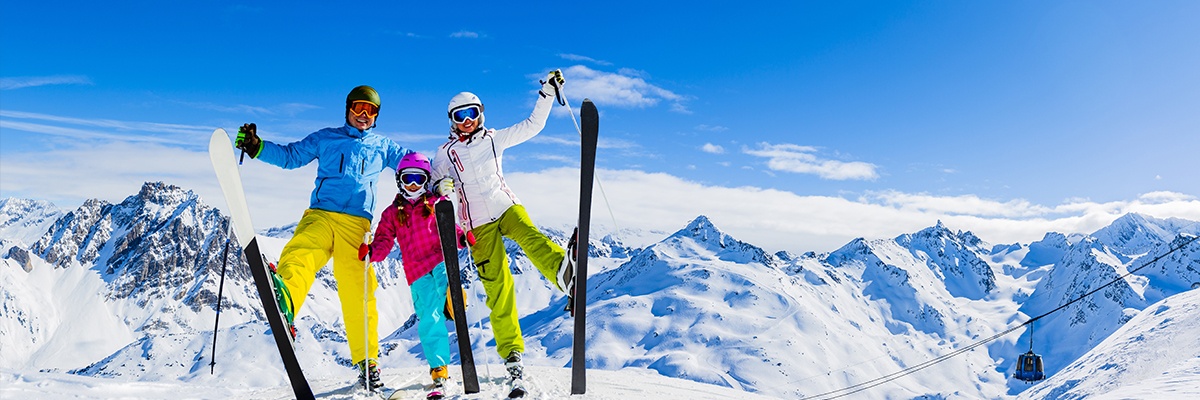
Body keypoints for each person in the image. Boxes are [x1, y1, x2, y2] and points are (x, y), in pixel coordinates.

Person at [234, 85, 412, 389]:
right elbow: (291, 156)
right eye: (358, 108)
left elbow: (411, 163)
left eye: (370, 111)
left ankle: (368, 362)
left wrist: (440, 174)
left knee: (359, 289)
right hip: (321, 214)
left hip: (357, 226)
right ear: (348, 109)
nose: (363, 115)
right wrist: (257, 147)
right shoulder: (326, 138)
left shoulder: (383, 146)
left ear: (377, 116)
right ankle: (285, 298)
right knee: (301, 250)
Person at [429, 70, 576, 396]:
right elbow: (430, 184)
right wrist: (440, 186)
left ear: (481, 115)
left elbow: (532, 126)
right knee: (498, 287)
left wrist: (547, 94)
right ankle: (512, 355)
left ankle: (564, 275)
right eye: (460, 116)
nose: (467, 121)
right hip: (476, 224)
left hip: (505, 205)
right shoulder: (445, 153)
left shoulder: (493, 138)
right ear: (452, 120)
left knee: (529, 234)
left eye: (472, 114)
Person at [358, 152, 465, 399]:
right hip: (416, 272)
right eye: (408, 179)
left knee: (449, 294)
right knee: (429, 319)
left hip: (440, 261)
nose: (414, 185)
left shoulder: (436, 202)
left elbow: (452, 226)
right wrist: (372, 252)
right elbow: (384, 240)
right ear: (399, 181)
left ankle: (455, 298)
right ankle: (440, 372)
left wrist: (460, 238)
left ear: (427, 180)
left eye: (419, 179)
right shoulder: (392, 213)